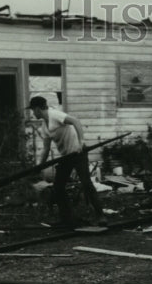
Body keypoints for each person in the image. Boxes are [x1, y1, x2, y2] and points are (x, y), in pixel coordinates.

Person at [29, 96, 103, 228]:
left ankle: (101, 216)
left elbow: (75, 122)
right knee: (58, 187)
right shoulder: (45, 127)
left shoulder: (54, 114)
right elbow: (46, 149)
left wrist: (81, 142)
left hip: (78, 152)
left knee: (86, 183)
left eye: (33, 110)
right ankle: (67, 219)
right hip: (66, 156)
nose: (33, 113)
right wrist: (40, 166)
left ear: (38, 109)